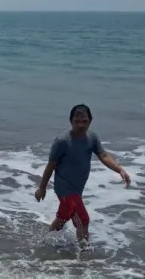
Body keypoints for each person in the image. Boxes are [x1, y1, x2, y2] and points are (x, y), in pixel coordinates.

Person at [34, 104, 131, 250]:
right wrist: (42, 188)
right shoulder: (62, 141)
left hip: (77, 188)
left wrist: (119, 169)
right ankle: (84, 252)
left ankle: (46, 242)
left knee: (64, 216)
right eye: (77, 121)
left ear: (90, 121)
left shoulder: (92, 137)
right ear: (70, 121)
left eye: (84, 121)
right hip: (65, 188)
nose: (81, 125)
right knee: (83, 219)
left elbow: (103, 155)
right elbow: (51, 165)